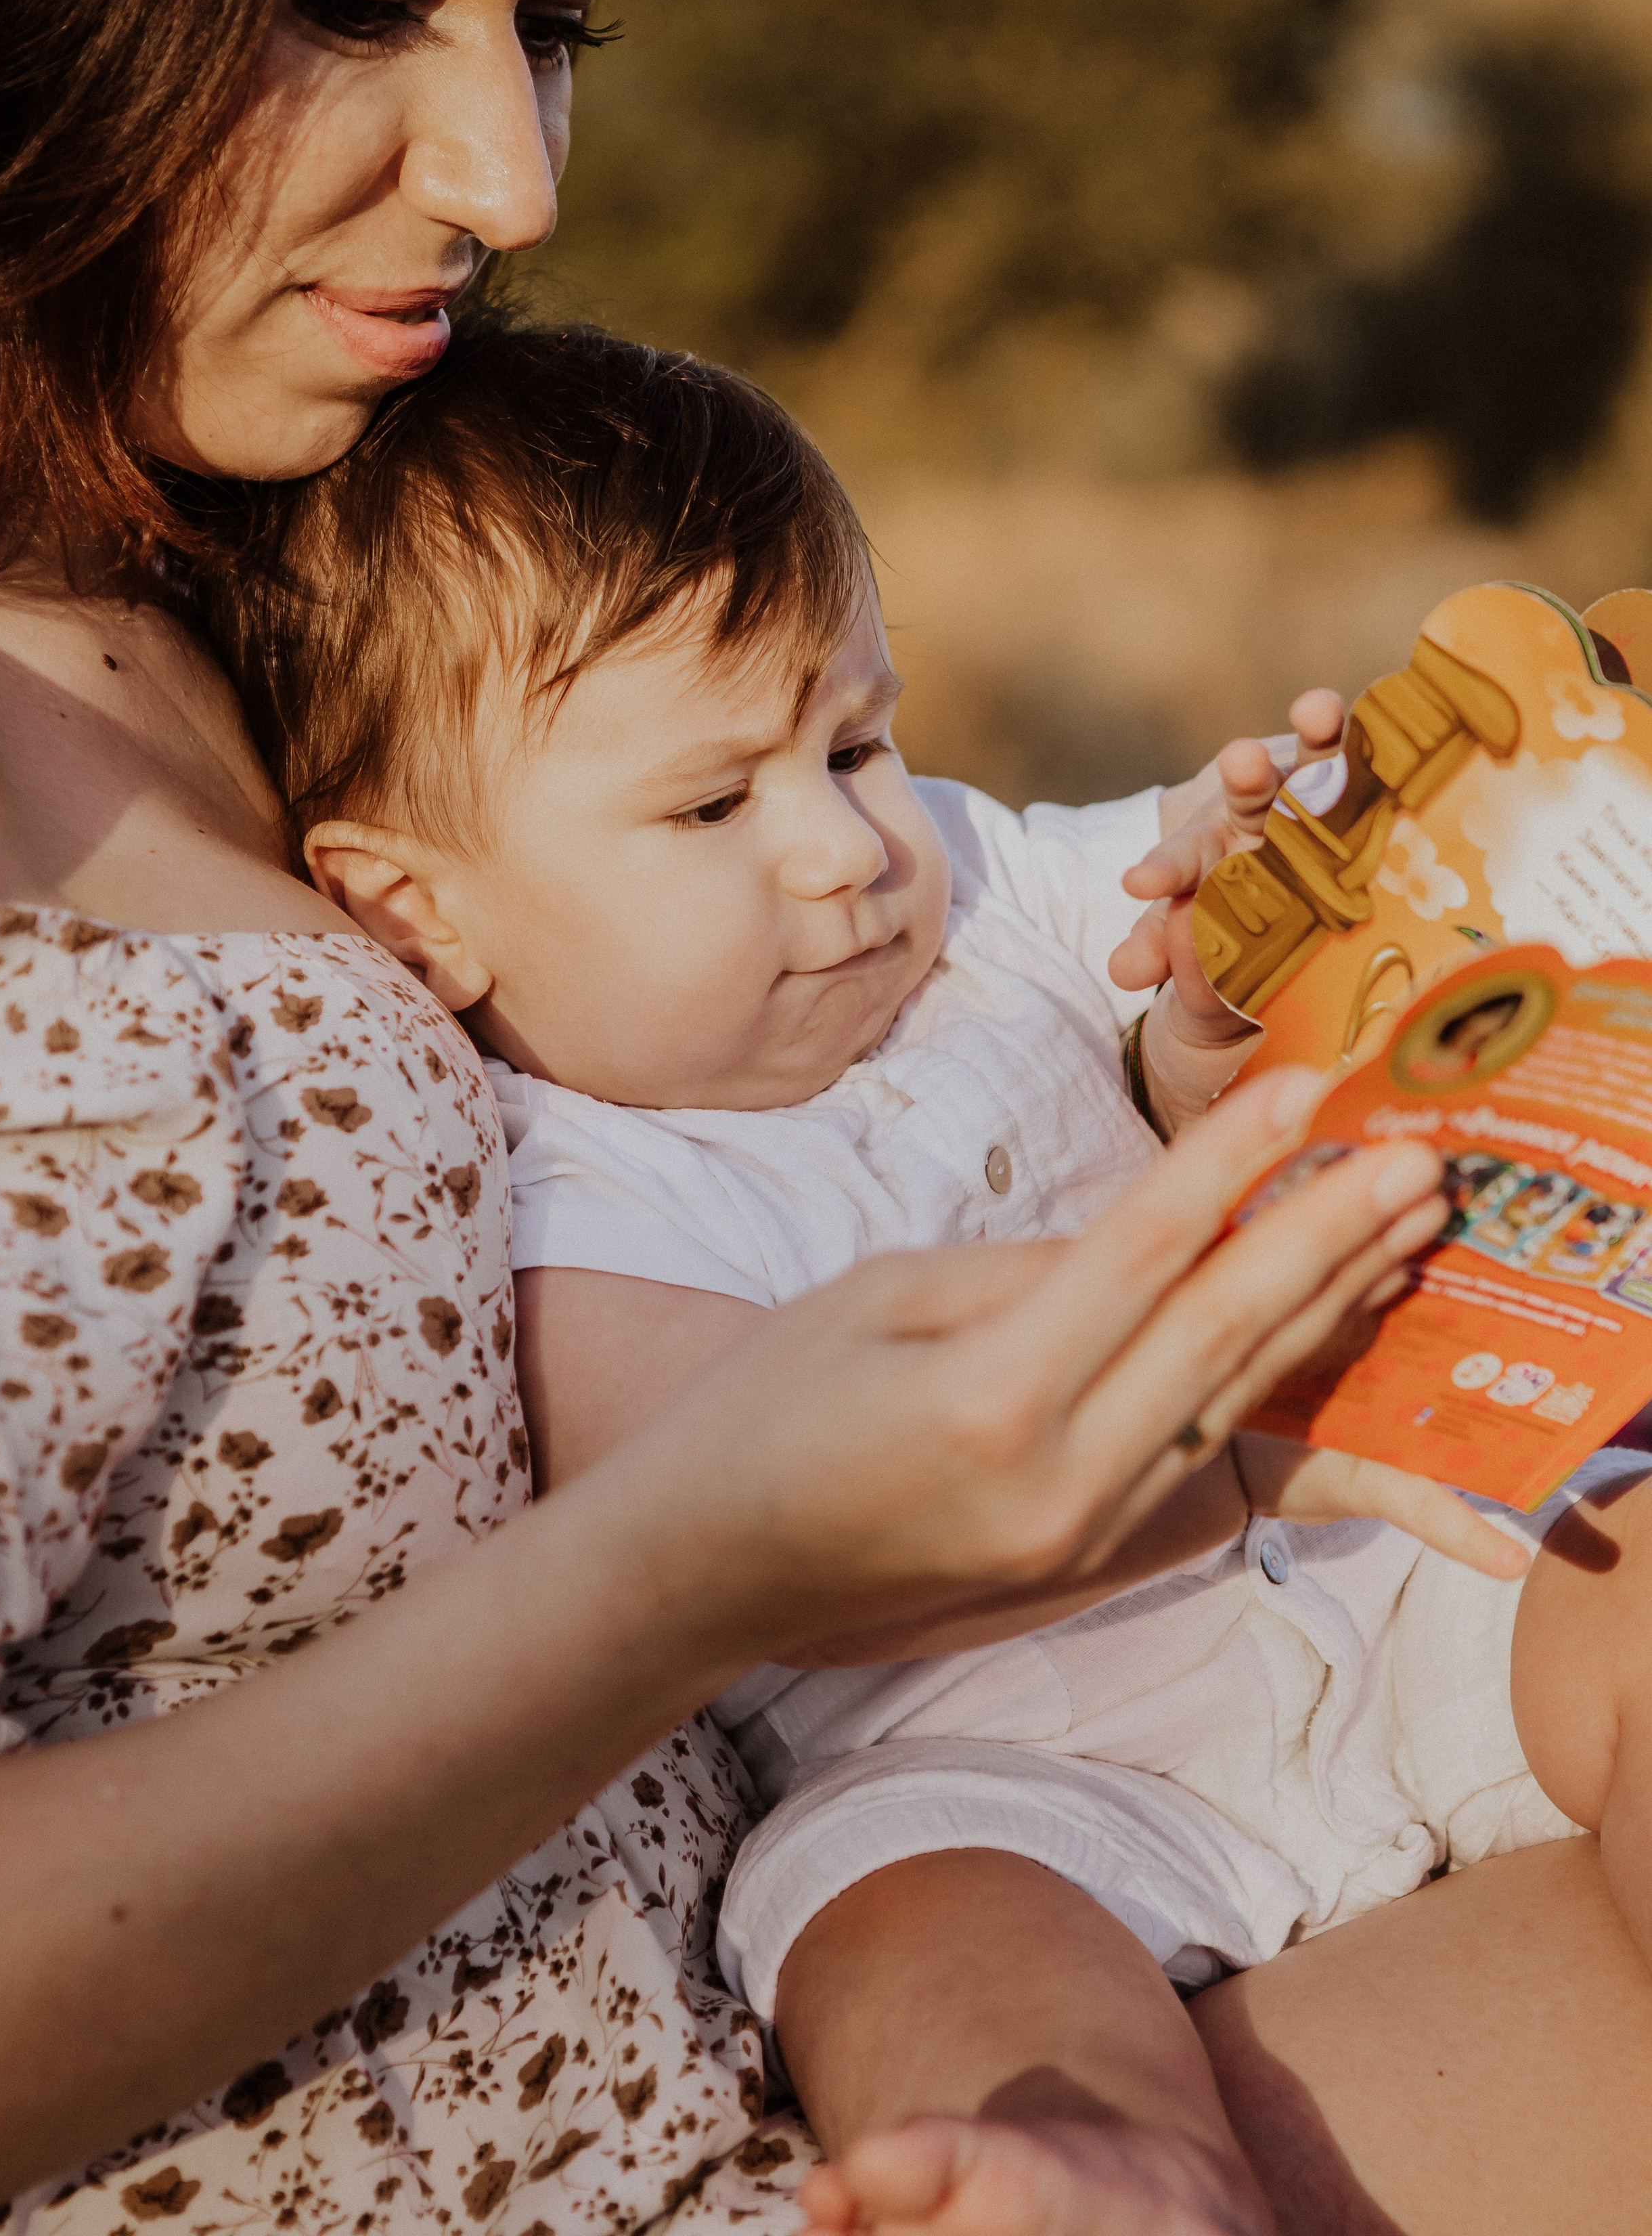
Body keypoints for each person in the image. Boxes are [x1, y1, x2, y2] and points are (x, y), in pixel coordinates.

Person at [0, 0, 1477, 2233]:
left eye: (559, 24)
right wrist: (687, 1572)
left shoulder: (315, 552)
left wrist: (1210, 1051)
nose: (512, 186)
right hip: (893, 1982)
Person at [210, 315, 1652, 2236]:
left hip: (1402, 1587)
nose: (841, 850)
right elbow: (809, 1547)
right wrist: (1246, 1458)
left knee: (1629, 1576)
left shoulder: (965, 880)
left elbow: (1162, 962)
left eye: (857, 739)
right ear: (422, 910)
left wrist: (1237, 977)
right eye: (713, 806)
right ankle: (1099, 2163)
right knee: (901, 1929)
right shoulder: (570, 1193)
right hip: (1010, 1762)